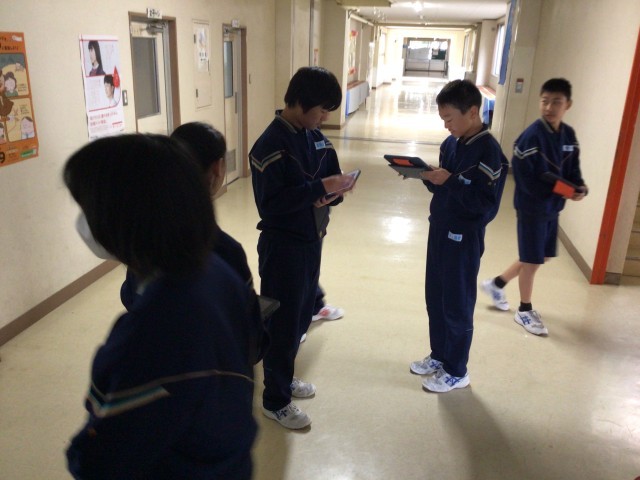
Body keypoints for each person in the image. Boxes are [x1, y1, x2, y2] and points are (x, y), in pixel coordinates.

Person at [64, 134, 260, 479]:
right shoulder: (216, 270)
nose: (84, 221)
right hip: (224, 456)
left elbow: (102, 460)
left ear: (123, 217)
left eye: (88, 208)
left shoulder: (150, 333)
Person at [250, 66, 355, 429]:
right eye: (322, 110)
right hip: (283, 247)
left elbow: (329, 179)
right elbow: (271, 205)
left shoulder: (315, 137)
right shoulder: (270, 145)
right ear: (300, 102)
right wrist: (319, 189)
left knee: (299, 318)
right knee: (281, 323)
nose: (325, 118)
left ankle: (284, 376)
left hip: (312, 240)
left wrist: (336, 191)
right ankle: (275, 400)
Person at [410, 79, 508, 393]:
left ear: (473, 112)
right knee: (436, 297)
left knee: (457, 303)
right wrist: (429, 177)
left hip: (463, 237)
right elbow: (445, 187)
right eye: (443, 119)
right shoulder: (450, 144)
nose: (446, 125)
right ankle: (440, 355)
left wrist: (450, 181)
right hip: (439, 228)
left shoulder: (490, 152)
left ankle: (456, 370)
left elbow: (484, 205)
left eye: (450, 118)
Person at [481, 78, 587, 336]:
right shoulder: (531, 137)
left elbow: (572, 169)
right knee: (531, 260)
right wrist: (563, 190)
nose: (549, 107)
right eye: (545, 101)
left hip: (553, 208)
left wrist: (579, 187)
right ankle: (524, 310)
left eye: (556, 102)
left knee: (542, 255)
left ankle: (497, 284)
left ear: (568, 105)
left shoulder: (568, 135)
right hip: (532, 208)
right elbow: (527, 178)